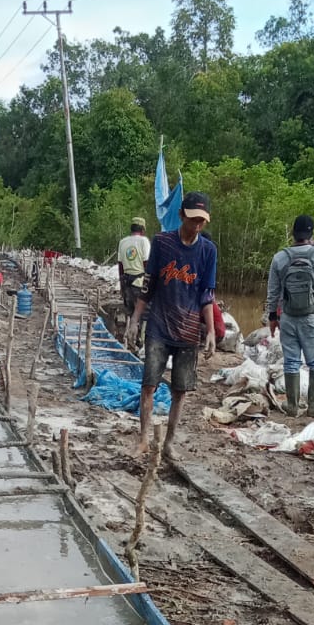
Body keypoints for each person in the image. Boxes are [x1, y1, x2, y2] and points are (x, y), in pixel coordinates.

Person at [127, 192, 216, 459]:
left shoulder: (208, 251)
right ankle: (143, 439)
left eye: (201, 220)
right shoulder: (162, 243)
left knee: (180, 390)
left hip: (188, 330)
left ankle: (169, 443)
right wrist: (135, 320)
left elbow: (207, 294)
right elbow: (149, 285)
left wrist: (211, 330)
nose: (197, 225)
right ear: (181, 215)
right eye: (192, 219)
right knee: (149, 385)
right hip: (159, 325)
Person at [266, 215, 314, 417]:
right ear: (311, 234)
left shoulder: (279, 257)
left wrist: (272, 317)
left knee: (291, 362)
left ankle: (292, 406)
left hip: (287, 317)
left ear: (293, 234)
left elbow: (273, 291)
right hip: (312, 316)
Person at [118, 218, 151, 344]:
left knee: (131, 313)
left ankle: (131, 341)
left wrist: (121, 286)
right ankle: (141, 341)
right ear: (142, 230)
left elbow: (120, 266)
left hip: (126, 282)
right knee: (144, 314)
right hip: (140, 282)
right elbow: (147, 263)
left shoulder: (123, 242)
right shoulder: (144, 241)